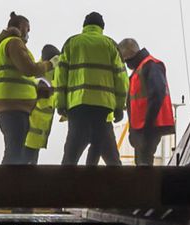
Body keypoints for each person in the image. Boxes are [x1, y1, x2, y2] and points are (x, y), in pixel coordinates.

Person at [57, 13, 127, 167]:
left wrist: (60, 104)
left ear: (84, 26)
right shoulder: (110, 45)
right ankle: (121, 189)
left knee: (70, 159)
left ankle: (62, 189)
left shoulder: (71, 43)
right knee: (113, 161)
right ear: (102, 27)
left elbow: (60, 77)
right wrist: (119, 107)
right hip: (102, 110)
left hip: (77, 108)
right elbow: (121, 79)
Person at [0, 13, 52, 166]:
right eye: (27, 29)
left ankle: (8, 184)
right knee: (14, 152)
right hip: (13, 106)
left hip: (11, 105)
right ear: (19, 27)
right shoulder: (14, 43)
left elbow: (21, 77)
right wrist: (49, 64)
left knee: (15, 150)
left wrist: (36, 91)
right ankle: (7, 185)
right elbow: (29, 69)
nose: (28, 33)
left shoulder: (6, 45)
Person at [117, 38, 176, 166]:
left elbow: (157, 94)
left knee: (144, 164)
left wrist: (147, 127)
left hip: (149, 126)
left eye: (126, 60)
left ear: (130, 56)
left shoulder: (151, 66)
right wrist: (132, 130)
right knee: (141, 163)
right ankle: (143, 185)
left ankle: (145, 186)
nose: (126, 65)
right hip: (140, 127)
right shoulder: (138, 71)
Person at [24, 44, 62, 163]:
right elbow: (43, 94)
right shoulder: (40, 75)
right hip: (31, 133)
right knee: (23, 165)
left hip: (38, 134)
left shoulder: (52, 72)